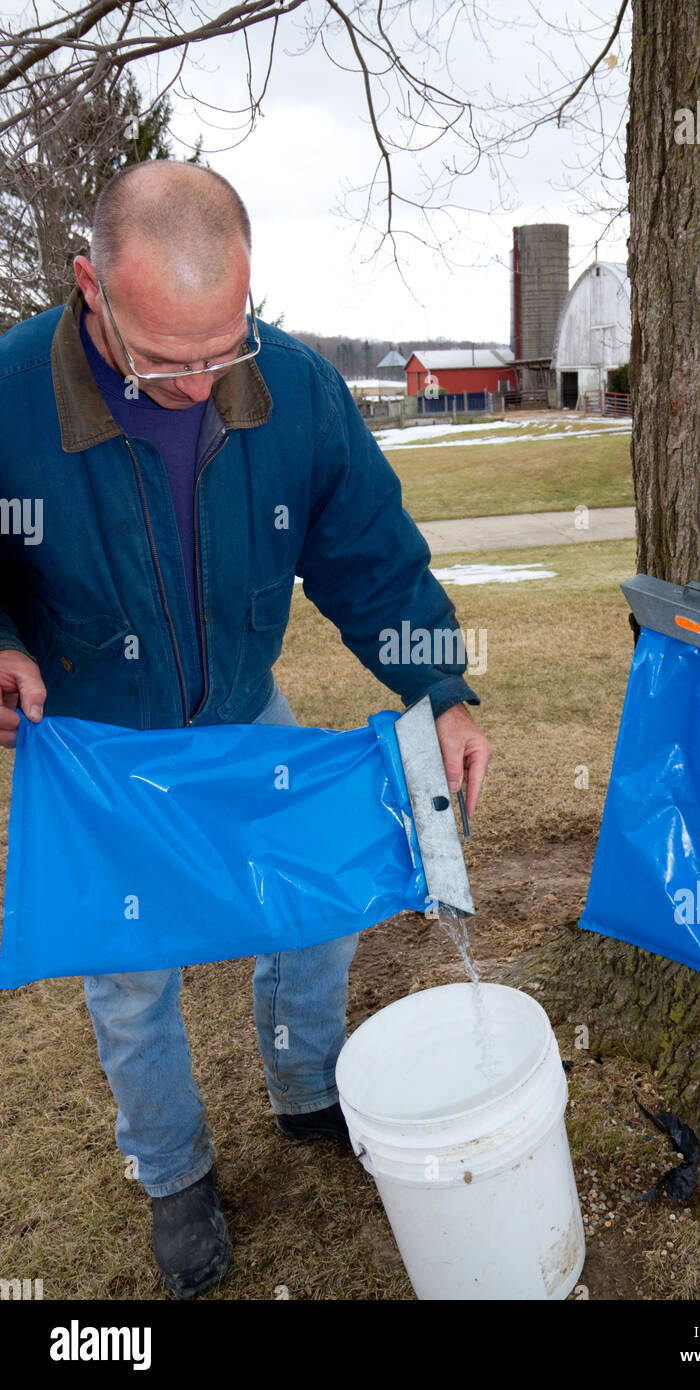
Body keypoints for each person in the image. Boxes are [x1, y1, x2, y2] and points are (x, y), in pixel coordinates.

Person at [0, 160, 492, 1298]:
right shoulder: (13, 390)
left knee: (316, 906)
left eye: (223, 347)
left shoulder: (297, 389)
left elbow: (371, 557)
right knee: (133, 978)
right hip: (102, 741)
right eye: (166, 359)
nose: (199, 382)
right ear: (90, 288)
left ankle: (305, 1081)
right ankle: (173, 1174)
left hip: (240, 709)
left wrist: (442, 692)